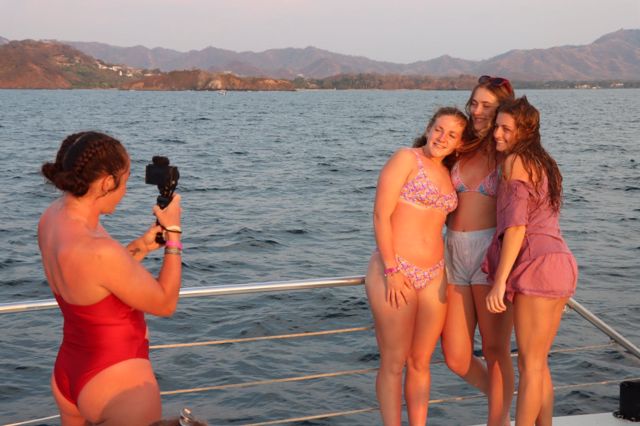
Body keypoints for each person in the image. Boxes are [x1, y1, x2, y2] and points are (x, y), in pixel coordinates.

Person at [38, 131, 183, 425]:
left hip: (69, 371)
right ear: (107, 183)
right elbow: (165, 303)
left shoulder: (51, 218)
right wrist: (174, 234)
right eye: (125, 181)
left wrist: (141, 246)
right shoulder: (99, 249)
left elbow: (92, 278)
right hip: (117, 382)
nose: (125, 191)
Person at [365, 107, 466, 425]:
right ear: (428, 128)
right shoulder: (406, 159)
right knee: (394, 362)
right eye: (439, 129)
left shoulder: (450, 174)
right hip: (396, 270)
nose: (442, 137)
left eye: (452, 135)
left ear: (460, 143)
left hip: (434, 275)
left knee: (421, 361)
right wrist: (392, 270)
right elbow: (380, 215)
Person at [483, 97, 578, 425]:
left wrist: (499, 282)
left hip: (536, 267)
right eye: (496, 126)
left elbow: (516, 226)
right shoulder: (543, 162)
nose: (497, 133)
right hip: (560, 264)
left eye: (505, 129)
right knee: (538, 363)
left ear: (525, 131)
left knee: (529, 364)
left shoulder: (515, 162)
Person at [440, 75, 515, 425]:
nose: (477, 111)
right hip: (453, 252)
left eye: (486, 105)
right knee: (455, 356)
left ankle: (499, 418)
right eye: (474, 103)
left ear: (502, 110)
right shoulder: (459, 147)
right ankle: (506, 400)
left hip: (489, 254)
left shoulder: (508, 155)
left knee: (496, 350)